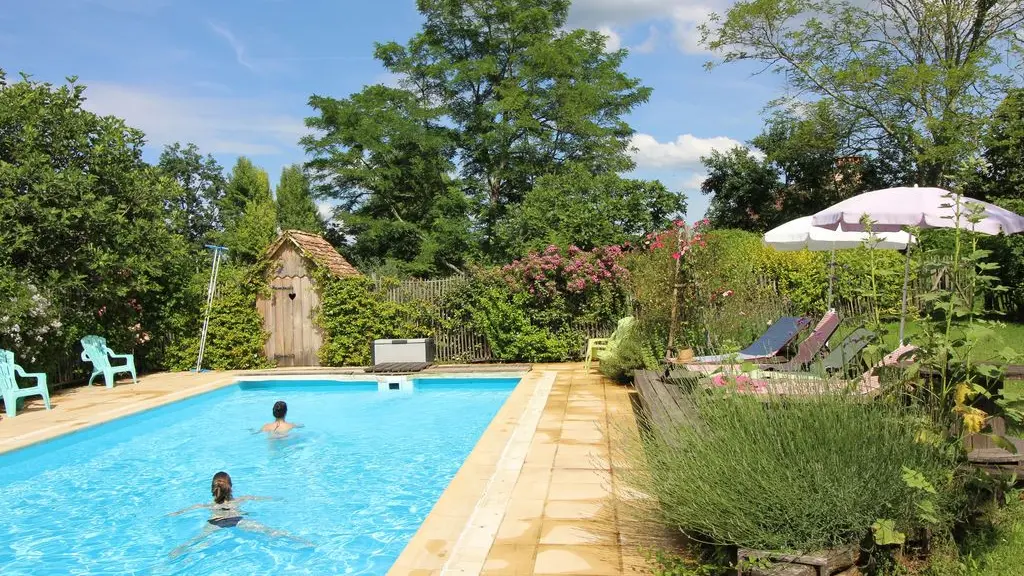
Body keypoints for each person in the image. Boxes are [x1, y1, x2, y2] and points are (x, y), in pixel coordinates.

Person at [168, 471, 307, 557]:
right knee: (270, 531)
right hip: (237, 519)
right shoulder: (241, 499)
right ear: (231, 486)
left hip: (216, 522)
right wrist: (279, 498)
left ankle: (176, 553)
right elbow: (258, 498)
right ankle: (300, 541)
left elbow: (189, 509)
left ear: (213, 488)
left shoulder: (209, 505)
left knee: (195, 541)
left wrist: (175, 513)